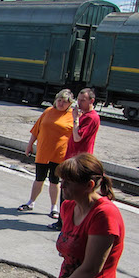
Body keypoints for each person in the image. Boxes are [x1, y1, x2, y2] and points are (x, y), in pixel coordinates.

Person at [39, 154, 125, 278]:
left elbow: (91, 269)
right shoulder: (68, 207)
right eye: (61, 181)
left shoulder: (104, 215)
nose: (62, 186)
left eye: (68, 183)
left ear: (89, 185)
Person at [18, 89, 74, 219]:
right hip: (43, 152)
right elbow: (36, 130)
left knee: (54, 181)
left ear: (70, 103)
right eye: (59, 100)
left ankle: (54, 208)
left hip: (59, 154)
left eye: (64, 102)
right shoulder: (48, 111)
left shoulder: (72, 116)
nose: (60, 103)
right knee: (39, 178)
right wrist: (29, 145)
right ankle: (31, 202)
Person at [49, 88, 101, 230]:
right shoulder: (84, 115)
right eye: (78, 99)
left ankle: (64, 223)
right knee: (66, 189)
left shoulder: (91, 117)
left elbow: (78, 137)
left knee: (70, 190)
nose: (79, 103)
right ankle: (63, 221)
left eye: (83, 100)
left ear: (92, 101)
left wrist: (75, 119)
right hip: (72, 157)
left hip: (79, 160)